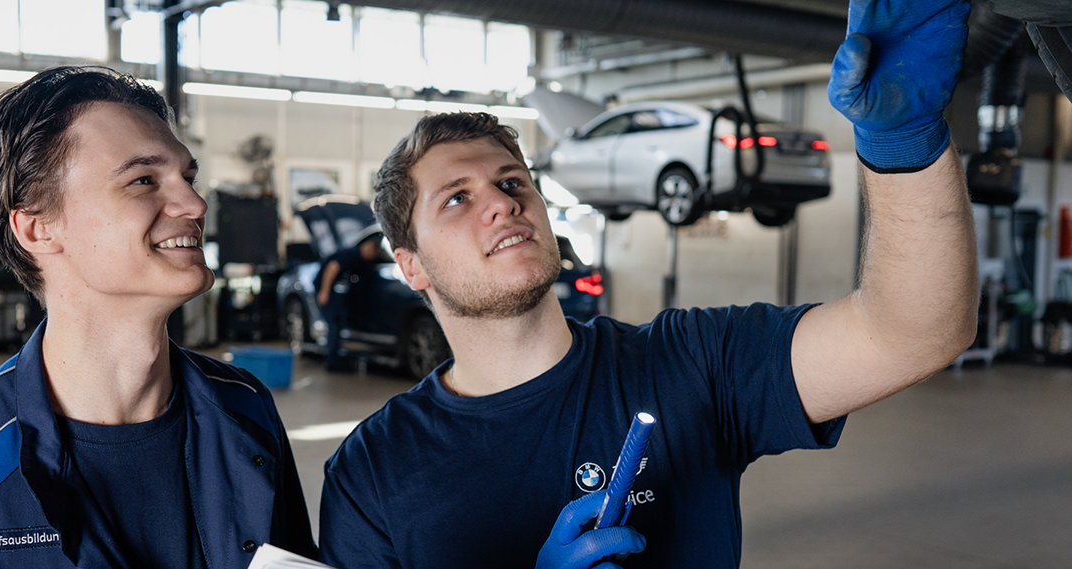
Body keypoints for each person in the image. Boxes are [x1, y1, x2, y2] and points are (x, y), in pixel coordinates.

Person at [317, 1, 978, 567]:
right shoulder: (372, 471)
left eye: (511, 181)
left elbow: (912, 331)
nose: (501, 202)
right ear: (412, 265)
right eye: (457, 198)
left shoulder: (690, 364)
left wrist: (902, 142)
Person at [0, 66, 317, 569]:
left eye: (187, 177)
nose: (194, 203)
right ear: (37, 229)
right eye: (143, 180)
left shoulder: (247, 413)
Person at [316, 231, 384, 371]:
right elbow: (332, 268)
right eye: (375, 253)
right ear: (368, 249)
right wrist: (324, 292)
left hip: (333, 290)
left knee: (337, 322)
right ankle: (332, 362)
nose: (374, 257)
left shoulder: (362, 261)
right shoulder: (352, 255)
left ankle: (335, 358)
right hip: (324, 287)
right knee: (334, 323)